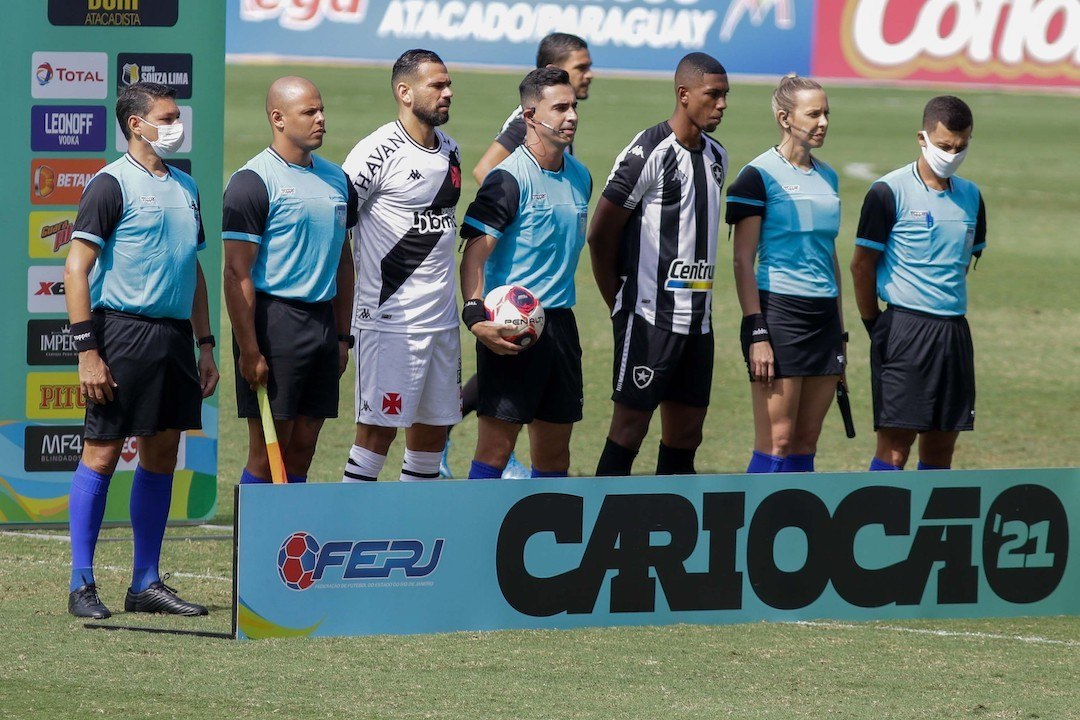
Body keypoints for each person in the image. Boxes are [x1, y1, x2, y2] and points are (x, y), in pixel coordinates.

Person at [64, 81, 219, 618]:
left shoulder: (187, 187)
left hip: (174, 338)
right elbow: (76, 268)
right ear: (136, 124)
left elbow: (193, 270)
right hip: (121, 332)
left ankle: (145, 583)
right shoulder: (110, 184)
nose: (178, 124)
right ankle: (81, 585)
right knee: (103, 453)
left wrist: (205, 344)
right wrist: (88, 352)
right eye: (168, 116)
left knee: (160, 454)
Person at [448, 32, 593, 479]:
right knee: (494, 450)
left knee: (555, 458)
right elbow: (474, 255)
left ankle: (546, 544)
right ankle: (476, 536)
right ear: (530, 115)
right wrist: (476, 317)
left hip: (561, 326)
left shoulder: (582, 176)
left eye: (573, 107)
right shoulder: (507, 180)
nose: (571, 116)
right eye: (560, 108)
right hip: (512, 327)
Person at [590, 52, 729, 477]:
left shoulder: (717, 156)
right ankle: (603, 527)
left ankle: (667, 534)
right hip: (648, 318)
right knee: (629, 429)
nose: (722, 104)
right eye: (713, 95)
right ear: (684, 94)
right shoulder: (649, 151)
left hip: (698, 323)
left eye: (726, 96)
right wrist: (620, 301)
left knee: (687, 435)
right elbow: (600, 234)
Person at [223, 77, 357, 486]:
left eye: (321, 110)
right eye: (309, 112)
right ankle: (249, 550)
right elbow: (236, 273)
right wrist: (249, 350)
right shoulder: (251, 182)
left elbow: (343, 260)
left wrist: (341, 336)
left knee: (303, 448)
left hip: (321, 324)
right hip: (273, 322)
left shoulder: (337, 180)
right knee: (268, 454)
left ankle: (288, 547)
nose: (321, 119)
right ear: (278, 119)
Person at [338, 49, 462, 483]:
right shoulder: (375, 152)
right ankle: (351, 534)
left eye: (448, 84)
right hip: (390, 322)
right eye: (438, 85)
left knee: (431, 437)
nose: (448, 92)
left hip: (442, 323)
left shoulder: (450, 149)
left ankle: (417, 533)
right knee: (375, 435)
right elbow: (339, 224)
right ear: (404, 92)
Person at [850, 95, 987, 471]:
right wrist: (873, 324)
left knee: (942, 450)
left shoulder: (972, 196)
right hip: (904, 329)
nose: (953, 153)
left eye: (961, 146)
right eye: (945, 146)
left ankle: (926, 530)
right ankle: (879, 524)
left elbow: (961, 265)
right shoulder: (887, 191)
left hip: (954, 332)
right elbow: (861, 266)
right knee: (894, 449)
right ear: (922, 138)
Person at [726, 75, 845, 474]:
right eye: (813, 114)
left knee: (805, 442)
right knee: (776, 440)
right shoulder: (757, 176)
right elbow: (743, 260)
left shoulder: (829, 177)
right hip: (780, 316)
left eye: (826, 112)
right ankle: (753, 532)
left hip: (824, 320)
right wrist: (757, 331)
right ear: (784, 117)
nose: (823, 122)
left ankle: (796, 531)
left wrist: (840, 333)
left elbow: (830, 257)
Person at [470, 32, 593, 185]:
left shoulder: (556, 115)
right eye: (581, 68)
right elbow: (484, 170)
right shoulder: (531, 119)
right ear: (553, 69)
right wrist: (519, 208)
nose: (589, 75)